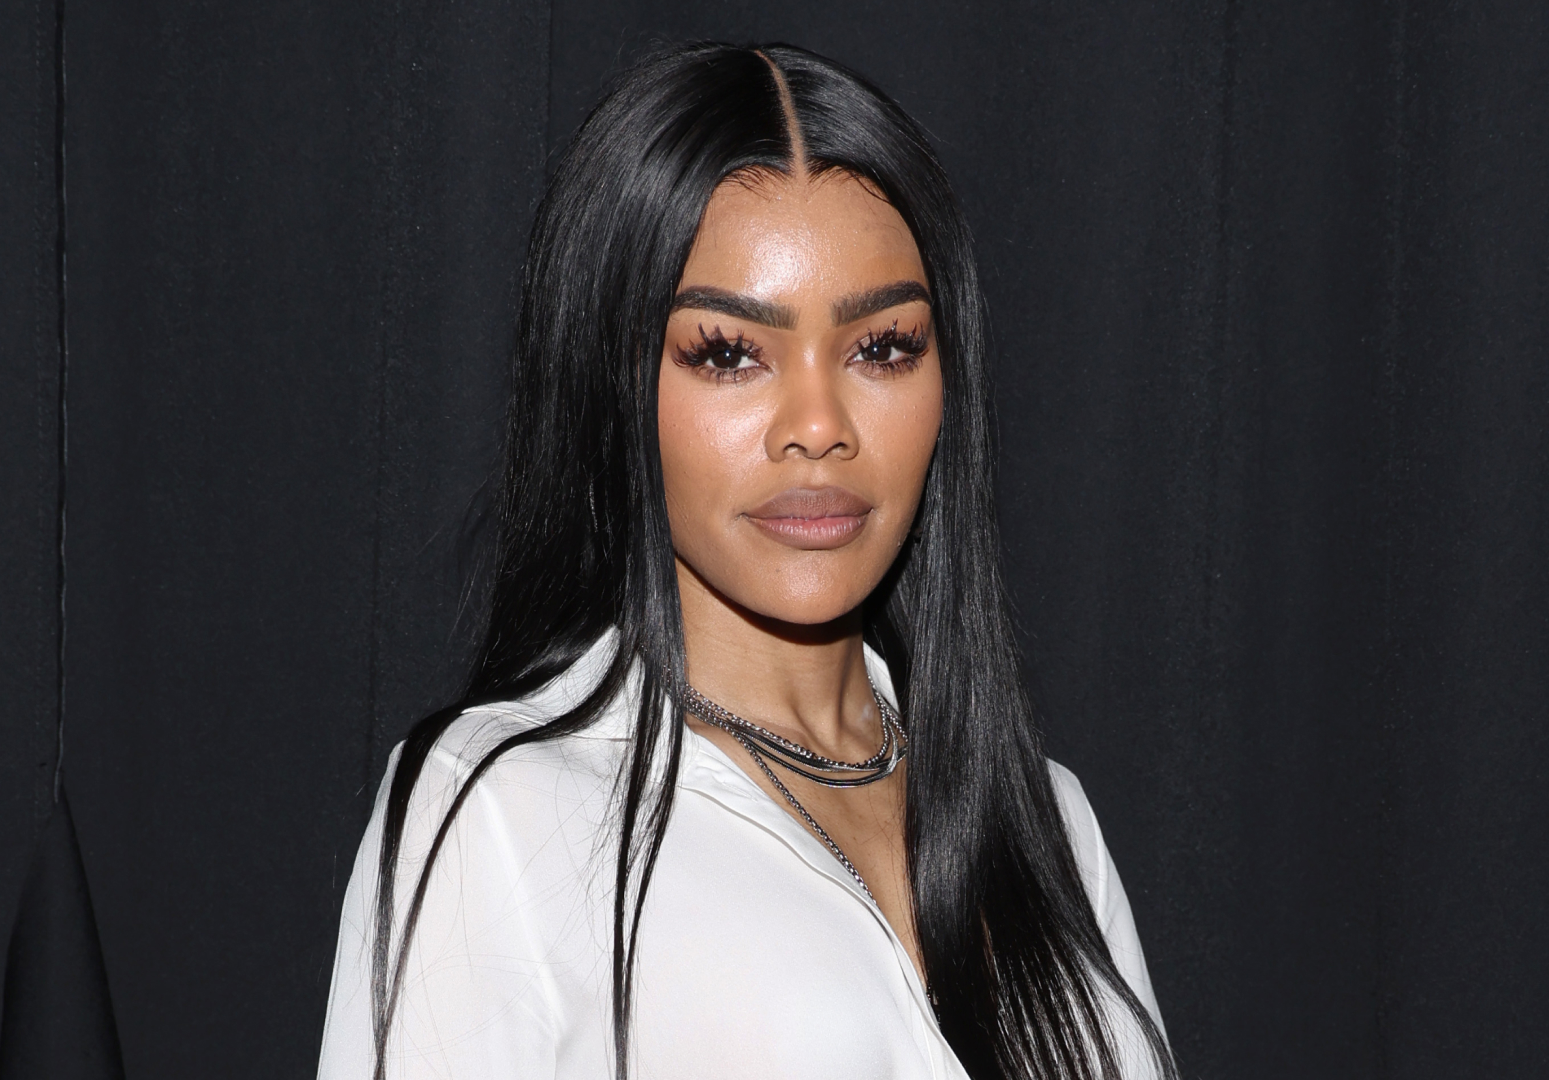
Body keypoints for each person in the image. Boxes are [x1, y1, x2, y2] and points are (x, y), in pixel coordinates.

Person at [317, 41, 1176, 1080]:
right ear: (611, 384)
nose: (817, 425)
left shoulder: (1048, 827)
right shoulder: (501, 815)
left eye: (881, 347)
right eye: (729, 353)